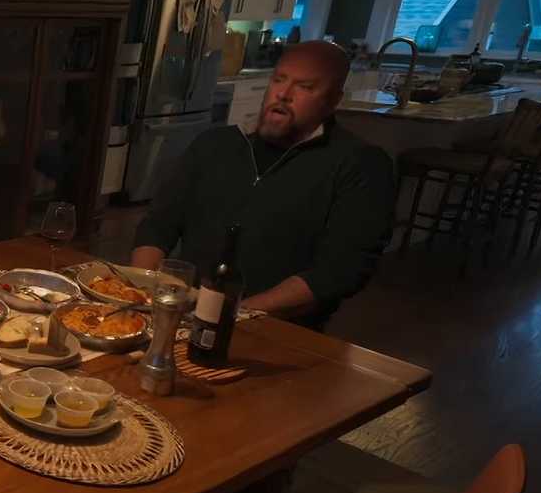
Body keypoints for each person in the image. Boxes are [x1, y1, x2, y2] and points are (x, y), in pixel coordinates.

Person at [130, 41, 394, 330]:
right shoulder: (216, 145)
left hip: (276, 328)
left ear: (333, 100)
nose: (284, 94)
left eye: (305, 87)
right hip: (183, 313)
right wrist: (143, 291)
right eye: (279, 80)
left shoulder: (359, 165)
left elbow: (339, 271)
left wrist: (233, 315)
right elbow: (158, 225)